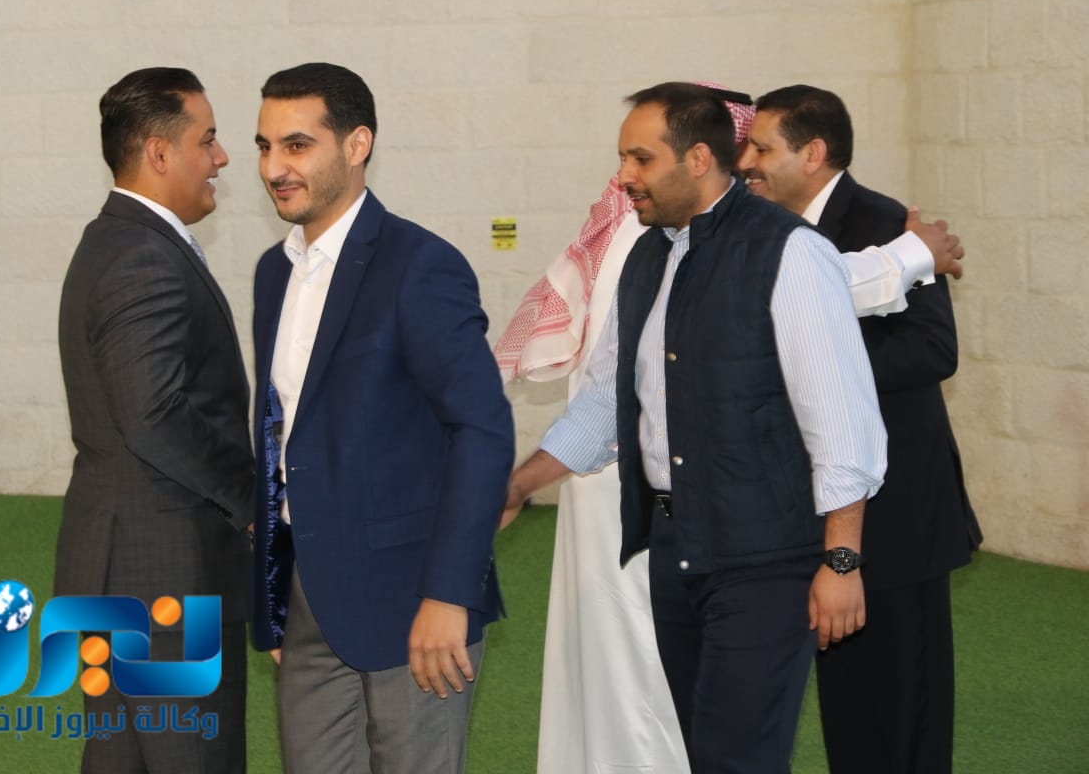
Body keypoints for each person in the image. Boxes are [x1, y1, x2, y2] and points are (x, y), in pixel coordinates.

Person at [497, 85, 970, 774]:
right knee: (705, 748)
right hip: (675, 551)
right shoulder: (649, 258)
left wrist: (842, 562)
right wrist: (520, 484)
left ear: (696, 159)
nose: (623, 176)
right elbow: (604, 405)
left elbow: (841, 424)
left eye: (640, 158)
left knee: (736, 754)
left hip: (764, 557)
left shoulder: (788, 250)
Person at [247, 62, 513, 774]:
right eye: (265, 147)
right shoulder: (274, 272)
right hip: (306, 598)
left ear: (356, 144)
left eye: (297, 145)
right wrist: (272, 596)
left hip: (412, 599)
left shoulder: (420, 265)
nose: (274, 168)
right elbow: (281, 434)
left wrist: (448, 594)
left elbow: (482, 431)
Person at [738, 84, 983, 774]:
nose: (746, 162)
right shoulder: (763, 229)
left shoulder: (886, 223)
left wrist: (808, 360)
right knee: (848, 702)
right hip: (808, 512)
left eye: (761, 148)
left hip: (897, 512)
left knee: (902, 704)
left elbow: (934, 350)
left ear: (813, 153)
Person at [54, 67, 256, 774]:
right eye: (208, 139)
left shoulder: (118, 241)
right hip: (163, 572)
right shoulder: (142, 255)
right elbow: (152, 414)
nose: (222, 158)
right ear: (160, 153)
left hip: (123, 565)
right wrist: (251, 494)